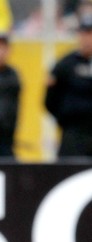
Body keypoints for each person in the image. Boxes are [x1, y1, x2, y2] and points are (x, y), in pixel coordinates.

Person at [45, 14, 92, 157]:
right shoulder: (66, 64)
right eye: (85, 34)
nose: (88, 39)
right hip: (73, 133)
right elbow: (50, 99)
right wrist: (66, 118)